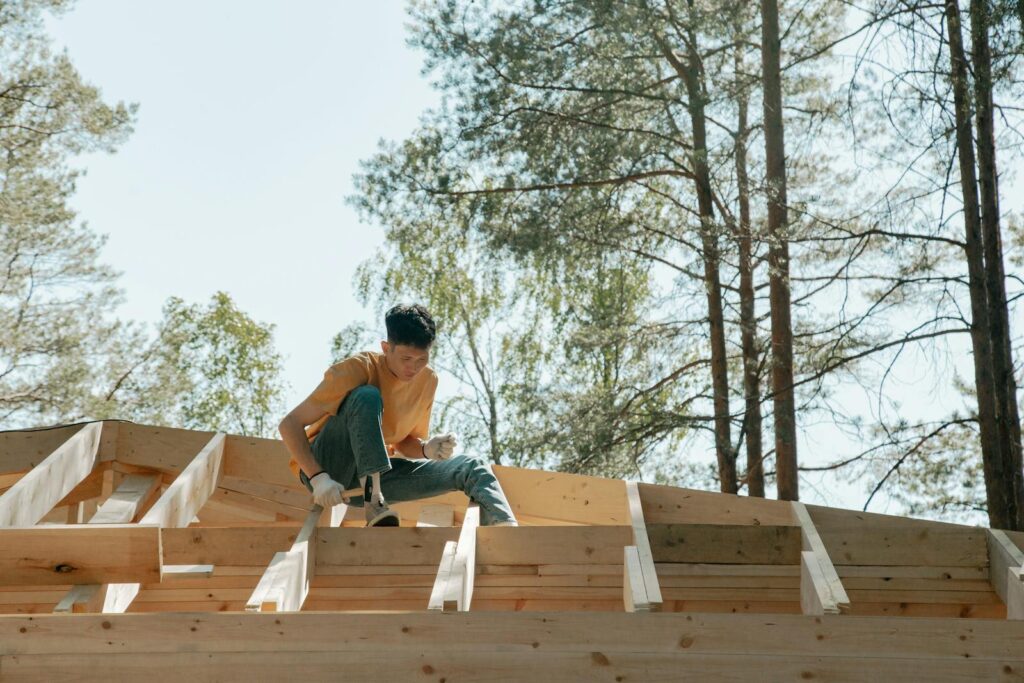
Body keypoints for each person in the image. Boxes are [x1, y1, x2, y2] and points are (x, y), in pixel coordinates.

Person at [278, 303, 518, 527]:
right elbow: (289, 424)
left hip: (374, 478)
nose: (412, 368)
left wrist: (426, 449)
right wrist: (318, 477)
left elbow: (404, 442)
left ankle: (506, 533)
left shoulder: (427, 381)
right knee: (367, 396)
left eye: (421, 360)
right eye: (405, 359)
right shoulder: (360, 368)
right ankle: (374, 500)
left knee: (471, 467)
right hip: (330, 467)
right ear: (386, 348)